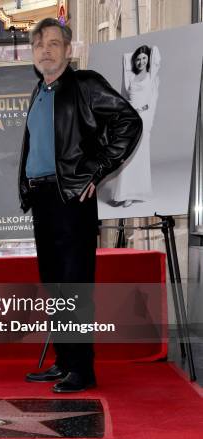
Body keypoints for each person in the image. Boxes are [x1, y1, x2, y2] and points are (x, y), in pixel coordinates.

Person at [19, 19, 142, 393]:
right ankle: (64, 361)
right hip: (42, 198)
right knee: (55, 285)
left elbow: (129, 121)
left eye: (54, 43)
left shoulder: (85, 84)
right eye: (39, 44)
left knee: (74, 285)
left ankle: (82, 370)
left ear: (68, 50)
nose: (46, 50)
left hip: (71, 197)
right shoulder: (39, 91)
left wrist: (96, 170)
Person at [111, 45, 160, 207]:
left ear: (149, 60)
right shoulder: (130, 77)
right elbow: (125, 59)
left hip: (143, 118)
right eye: (138, 59)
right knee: (127, 155)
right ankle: (123, 193)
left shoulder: (152, 76)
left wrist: (146, 52)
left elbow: (156, 52)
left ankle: (133, 194)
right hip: (130, 118)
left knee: (139, 156)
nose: (140, 61)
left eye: (144, 58)